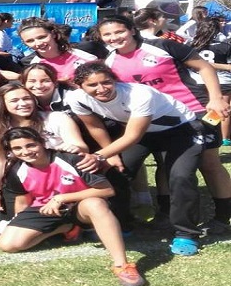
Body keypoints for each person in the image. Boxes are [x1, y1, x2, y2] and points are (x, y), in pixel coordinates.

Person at [98, 15, 231, 234]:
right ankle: (166, 212)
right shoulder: (110, 61)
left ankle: (223, 217)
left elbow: (205, 68)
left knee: (209, 162)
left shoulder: (163, 46)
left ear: (132, 30)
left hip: (196, 110)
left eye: (119, 31)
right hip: (155, 117)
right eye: (108, 35)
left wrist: (215, 98)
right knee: (164, 162)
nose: (114, 38)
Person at [65, 62, 206, 255]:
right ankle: (123, 225)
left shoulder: (139, 94)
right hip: (145, 133)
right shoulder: (76, 98)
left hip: (181, 131)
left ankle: (186, 233)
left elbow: (133, 137)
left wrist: (99, 155)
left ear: (115, 80)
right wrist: (111, 154)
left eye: (106, 82)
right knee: (115, 174)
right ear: (79, 85)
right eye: (92, 85)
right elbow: (95, 126)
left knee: (180, 177)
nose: (101, 89)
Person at [0, 127, 146, 286]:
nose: (25, 151)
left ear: (42, 143)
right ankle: (64, 227)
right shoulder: (16, 169)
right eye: (17, 148)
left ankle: (122, 265)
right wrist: (20, 221)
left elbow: (107, 190)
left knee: (95, 204)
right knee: (7, 244)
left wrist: (61, 198)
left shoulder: (71, 159)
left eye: (31, 145)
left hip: (80, 207)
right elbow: (22, 200)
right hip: (46, 208)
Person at [0, 84, 95, 215]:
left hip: (59, 176)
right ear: (2, 104)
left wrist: (74, 147)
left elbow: (81, 146)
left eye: (27, 98)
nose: (23, 103)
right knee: (9, 219)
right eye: (14, 101)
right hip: (20, 178)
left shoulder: (56, 118)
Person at [18, 17, 102, 84]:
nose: (38, 43)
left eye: (42, 37)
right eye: (30, 41)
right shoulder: (33, 65)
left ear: (53, 34)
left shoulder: (85, 58)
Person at [190, 16, 231, 146]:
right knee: (223, 110)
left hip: (197, 80)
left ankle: (203, 133)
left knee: (203, 109)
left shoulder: (192, 45)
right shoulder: (225, 45)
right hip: (222, 80)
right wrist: (212, 65)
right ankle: (224, 138)